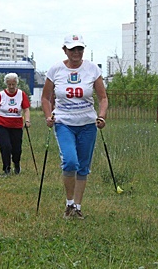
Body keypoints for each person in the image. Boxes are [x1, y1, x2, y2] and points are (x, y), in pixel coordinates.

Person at [41, 34, 108, 220]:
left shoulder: (92, 69)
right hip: (64, 122)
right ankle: (69, 202)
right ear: (65, 50)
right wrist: (48, 116)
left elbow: (103, 97)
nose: (76, 52)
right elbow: (45, 98)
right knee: (70, 161)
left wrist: (101, 116)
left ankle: (77, 207)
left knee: (83, 166)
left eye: (80, 49)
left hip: (87, 123)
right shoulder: (55, 70)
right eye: (72, 49)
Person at [0, 73, 31, 175]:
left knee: (17, 149)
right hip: (2, 124)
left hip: (16, 125)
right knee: (5, 146)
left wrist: (27, 120)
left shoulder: (21, 94)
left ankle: (16, 164)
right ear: (6, 84)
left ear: (16, 83)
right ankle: (6, 169)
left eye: (13, 84)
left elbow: (26, 109)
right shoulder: (1, 95)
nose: (11, 87)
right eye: (9, 84)